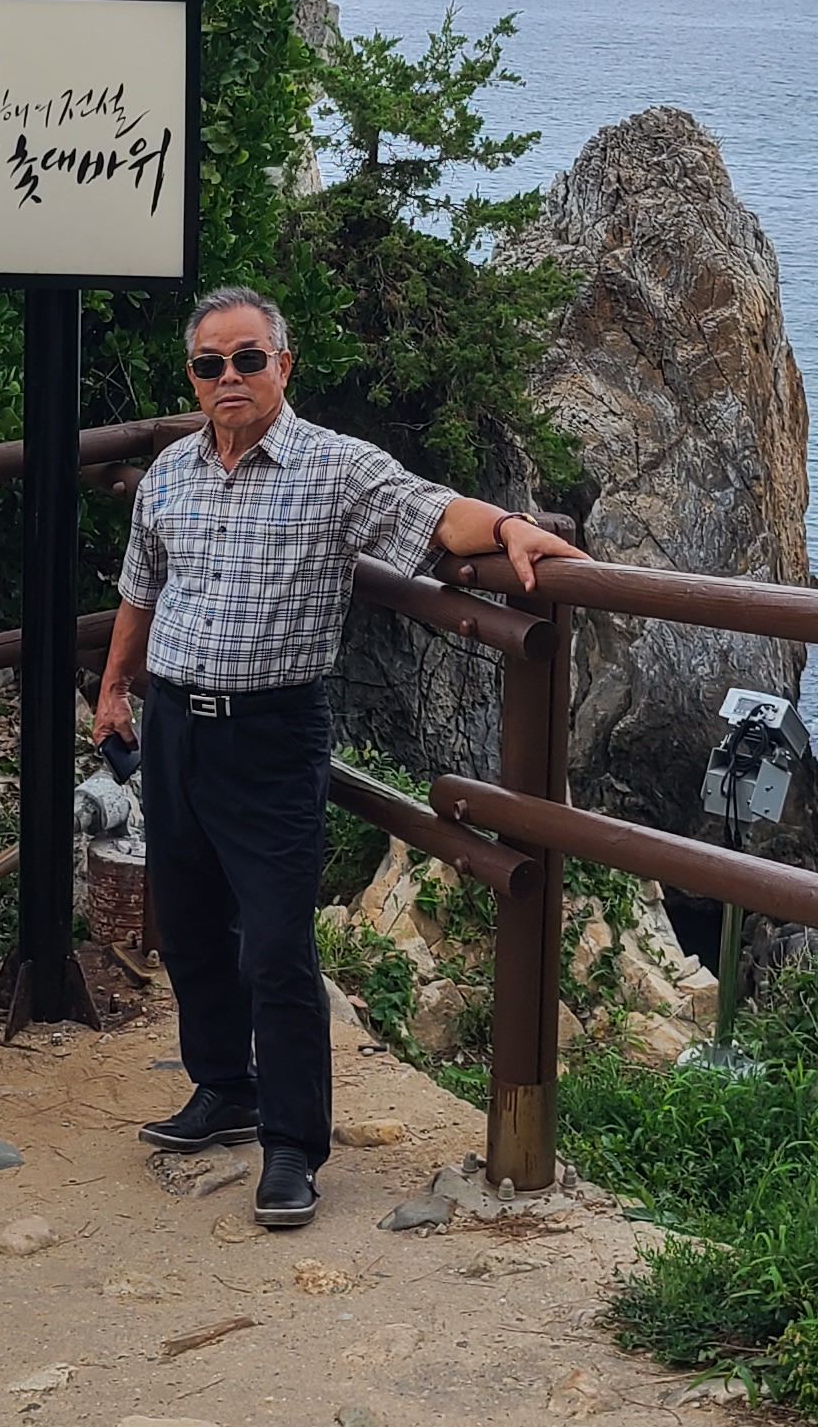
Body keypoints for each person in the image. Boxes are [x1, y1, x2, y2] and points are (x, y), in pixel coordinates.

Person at [95, 286, 582, 1227]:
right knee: (187, 925)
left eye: (248, 359)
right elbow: (140, 587)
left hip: (272, 734)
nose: (230, 377)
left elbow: (433, 513)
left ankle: (292, 1146)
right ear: (192, 378)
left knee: (277, 947)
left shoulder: (332, 466)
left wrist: (511, 529)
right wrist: (116, 688)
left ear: (283, 366)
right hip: (174, 723)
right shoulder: (170, 472)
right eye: (210, 364)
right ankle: (223, 1087)